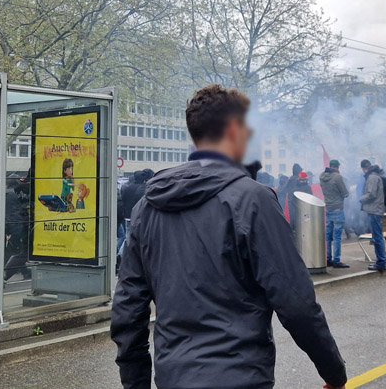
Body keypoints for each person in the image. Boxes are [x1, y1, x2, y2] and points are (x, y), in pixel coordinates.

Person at [111, 85, 347, 389]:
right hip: (241, 378)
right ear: (235, 129)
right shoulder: (254, 200)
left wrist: (136, 384)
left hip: (173, 379)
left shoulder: (147, 207)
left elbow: (128, 310)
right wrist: (334, 373)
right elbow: (296, 302)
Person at [320, 159, 349, 269]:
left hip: (328, 207)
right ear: (336, 167)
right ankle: (337, 260)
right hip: (337, 208)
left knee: (328, 235)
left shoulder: (322, 176)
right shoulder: (337, 177)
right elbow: (345, 193)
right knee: (337, 236)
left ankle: (328, 259)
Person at [360, 159, 386, 271]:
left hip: (374, 210)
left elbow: (371, 194)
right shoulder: (376, 176)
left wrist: (361, 199)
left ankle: (381, 262)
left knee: (377, 237)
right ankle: (381, 261)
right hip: (377, 209)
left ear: (363, 168)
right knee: (377, 237)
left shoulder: (372, 177)